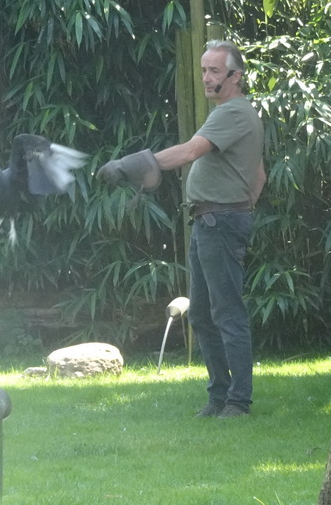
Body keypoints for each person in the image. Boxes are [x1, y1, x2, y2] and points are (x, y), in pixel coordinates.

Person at [98, 39, 265, 419]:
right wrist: (243, 208)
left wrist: (129, 165)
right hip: (213, 222)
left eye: (215, 71)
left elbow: (190, 152)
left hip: (218, 223)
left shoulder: (232, 113)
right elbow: (259, 174)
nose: (207, 78)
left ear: (235, 77)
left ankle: (238, 401)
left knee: (226, 314)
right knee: (204, 316)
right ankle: (220, 397)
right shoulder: (238, 112)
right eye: (204, 70)